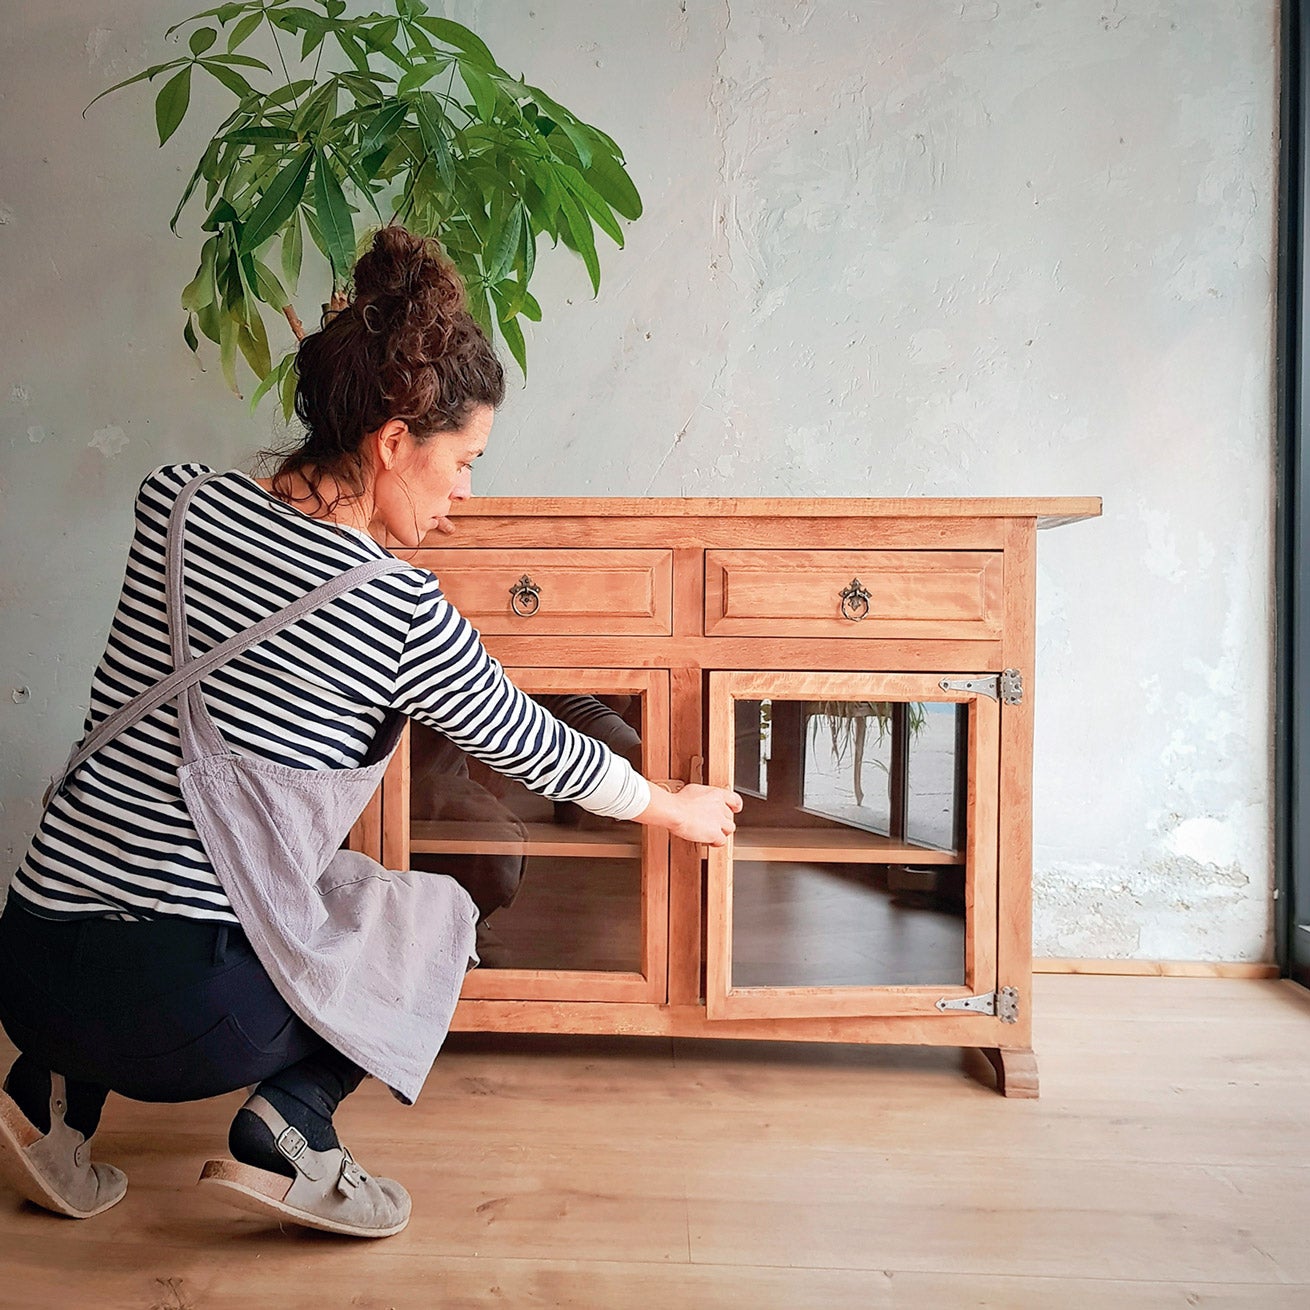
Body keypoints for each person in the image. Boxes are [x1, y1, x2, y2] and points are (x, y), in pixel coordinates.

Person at [0, 226, 742, 1238]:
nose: (465, 495)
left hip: (29, 962)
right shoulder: (401, 611)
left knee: (160, 860)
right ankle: (289, 1126)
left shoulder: (171, 503)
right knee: (437, 906)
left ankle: (49, 1097)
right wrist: (674, 806)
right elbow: (534, 743)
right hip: (190, 1016)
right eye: (463, 461)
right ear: (394, 441)